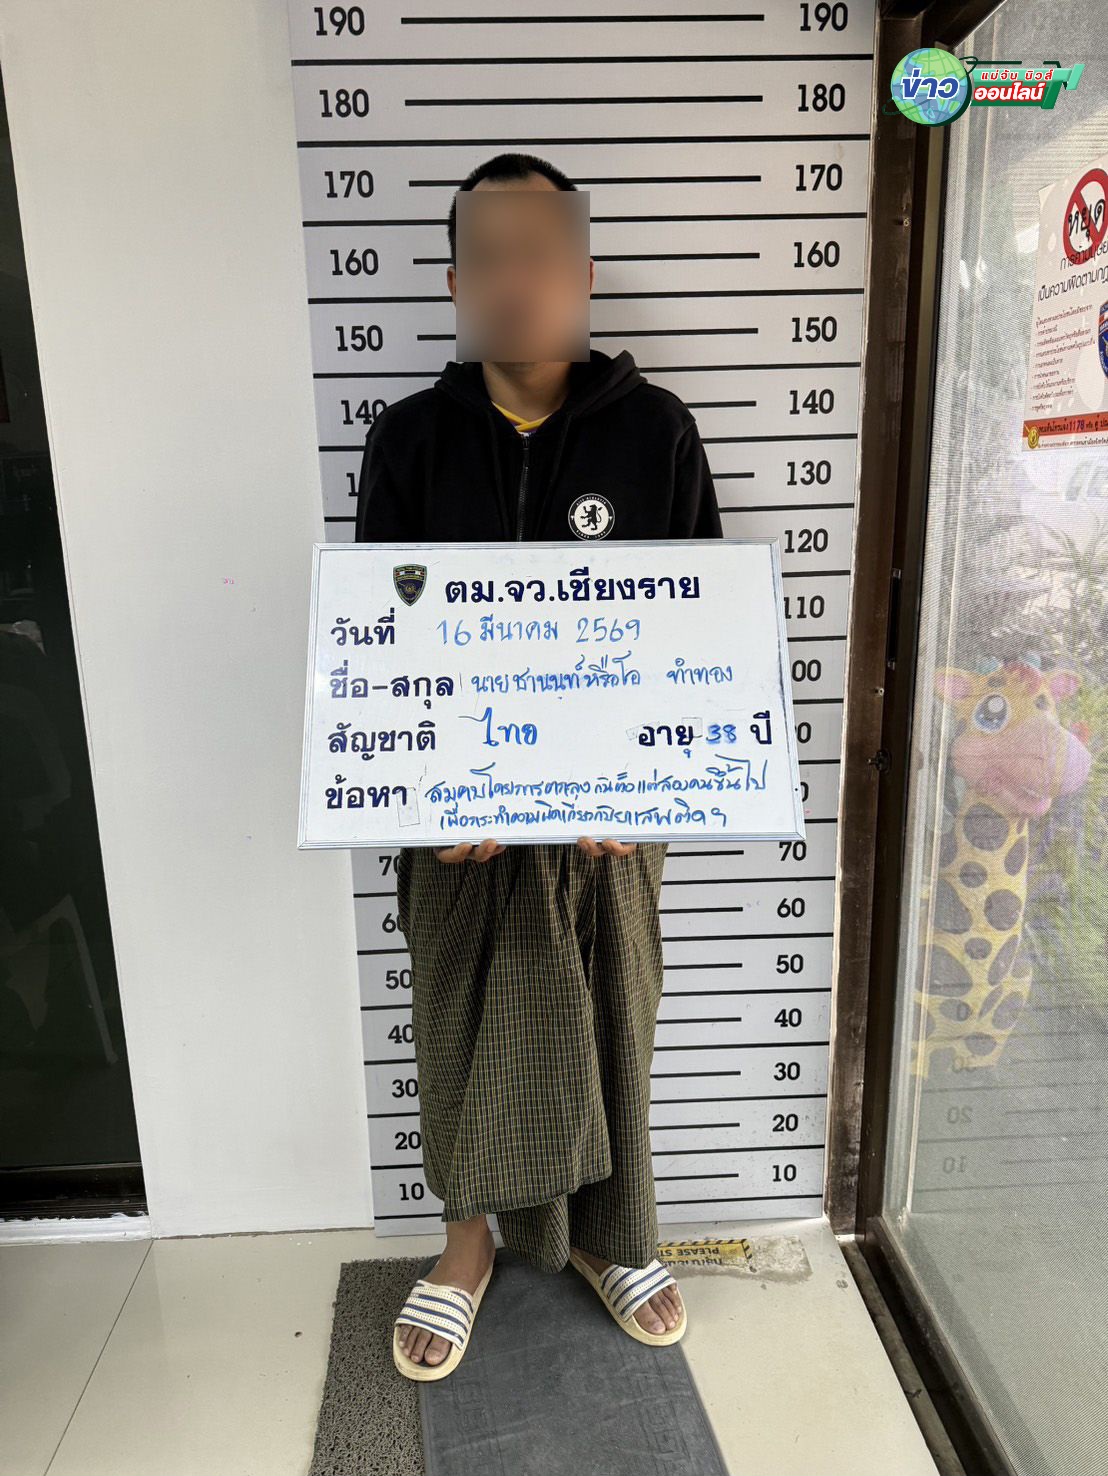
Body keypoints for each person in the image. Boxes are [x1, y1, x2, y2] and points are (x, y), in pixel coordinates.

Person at [355, 152, 724, 1377]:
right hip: (457, 819)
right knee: (455, 1020)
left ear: (585, 275)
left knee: (616, 1011)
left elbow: (700, 633)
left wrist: (649, 789)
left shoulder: (656, 432)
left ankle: (613, 1237)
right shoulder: (409, 439)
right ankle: (465, 1245)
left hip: (611, 817)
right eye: (490, 259)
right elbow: (379, 634)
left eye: (543, 256)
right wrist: (424, 797)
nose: (517, 281)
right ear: (457, 283)